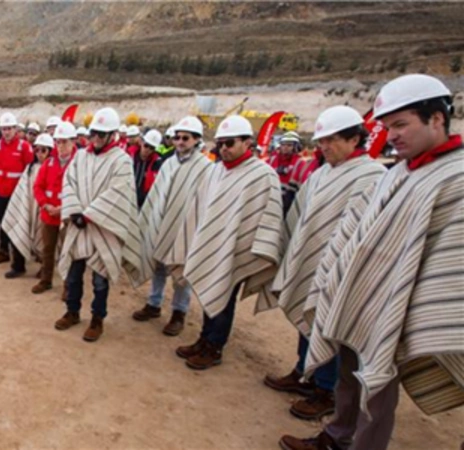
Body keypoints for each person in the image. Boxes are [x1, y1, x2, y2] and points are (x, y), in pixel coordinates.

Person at [280, 75, 463, 450]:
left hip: (398, 309)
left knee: (376, 391)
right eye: (387, 126)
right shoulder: (397, 173)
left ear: (437, 119)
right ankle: (336, 436)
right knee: (350, 377)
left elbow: (450, 266)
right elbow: (354, 235)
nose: (391, 135)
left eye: (400, 124)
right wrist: (336, 280)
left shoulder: (455, 178)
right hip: (359, 298)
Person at [260, 105, 386, 423]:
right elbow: (302, 218)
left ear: (355, 138)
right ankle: (305, 373)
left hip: (342, 273)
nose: (324, 147)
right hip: (312, 263)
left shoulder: (374, 177)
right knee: (308, 312)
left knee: (328, 326)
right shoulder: (321, 173)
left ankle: (326, 390)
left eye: (331, 140)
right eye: (321, 141)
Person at [168, 115, 283, 370]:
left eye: (229, 143)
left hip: (236, 250)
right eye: (220, 143)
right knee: (210, 291)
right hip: (213, 246)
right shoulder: (216, 170)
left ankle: (215, 347)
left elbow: (268, 218)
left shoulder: (261, 175)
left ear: (247, 142)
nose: (224, 149)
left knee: (224, 296)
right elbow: (202, 209)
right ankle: (204, 339)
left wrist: (241, 245)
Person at [54, 108, 143, 342]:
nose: (95, 139)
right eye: (93, 134)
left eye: (101, 135)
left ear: (112, 134)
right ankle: (72, 311)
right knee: (73, 274)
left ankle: (97, 318)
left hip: (103, 227)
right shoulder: (81, 156)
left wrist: (90, 215)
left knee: (100, 278)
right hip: (78, 225)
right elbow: (69, 183)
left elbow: (118, 193)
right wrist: (74, 211)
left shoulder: (121, 160)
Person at [134, 116, 212, 337]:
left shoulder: (205, 168)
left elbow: (204, 201)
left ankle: (179, 312)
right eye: (176, 138)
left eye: (185, 138)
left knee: (181, 272)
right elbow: (157, 195)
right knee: (158, 266)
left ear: (197, 140)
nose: (179, 142)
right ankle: (154, 303)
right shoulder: (168, 162)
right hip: (162, 224)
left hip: (186, 228)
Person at [30, 122, 77, 294]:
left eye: (65, 142)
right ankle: (46, 280)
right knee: (47, 249)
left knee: (68, 253)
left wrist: (64, 208)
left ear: (73, 142)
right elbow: (38, 187)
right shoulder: (49, 163)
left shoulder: (79, 164)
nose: (61, 146)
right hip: (49, 214)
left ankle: (68, 286)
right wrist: (45, 204)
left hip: (68, 216)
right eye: (58, 142)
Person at [0, 112, 35, 277]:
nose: (6, 132)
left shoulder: (24, 147)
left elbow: (30, 170)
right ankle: (4, 251)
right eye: (3, 129)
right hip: (1, 192)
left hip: (18, 196)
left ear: (16, 129)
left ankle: (19, 263)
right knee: (3, 223)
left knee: (18, 227)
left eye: (9, 128)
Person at [2, 132, 50, 282]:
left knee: (44, 240)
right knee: (18, 227)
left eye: (44, 150)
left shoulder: (53, 168)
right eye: (37, 150)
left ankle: (45, 268)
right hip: (27, 206)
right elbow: (23, 189)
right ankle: (18, 266)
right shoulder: (31, 168)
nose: (40, 154)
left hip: (45, 208)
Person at [132, 129, 162, 208]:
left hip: (143, 204)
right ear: (141, 142)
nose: (148, 150)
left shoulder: (157, 164)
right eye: (146, 145)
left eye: (152, 148)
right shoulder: (130, 157)